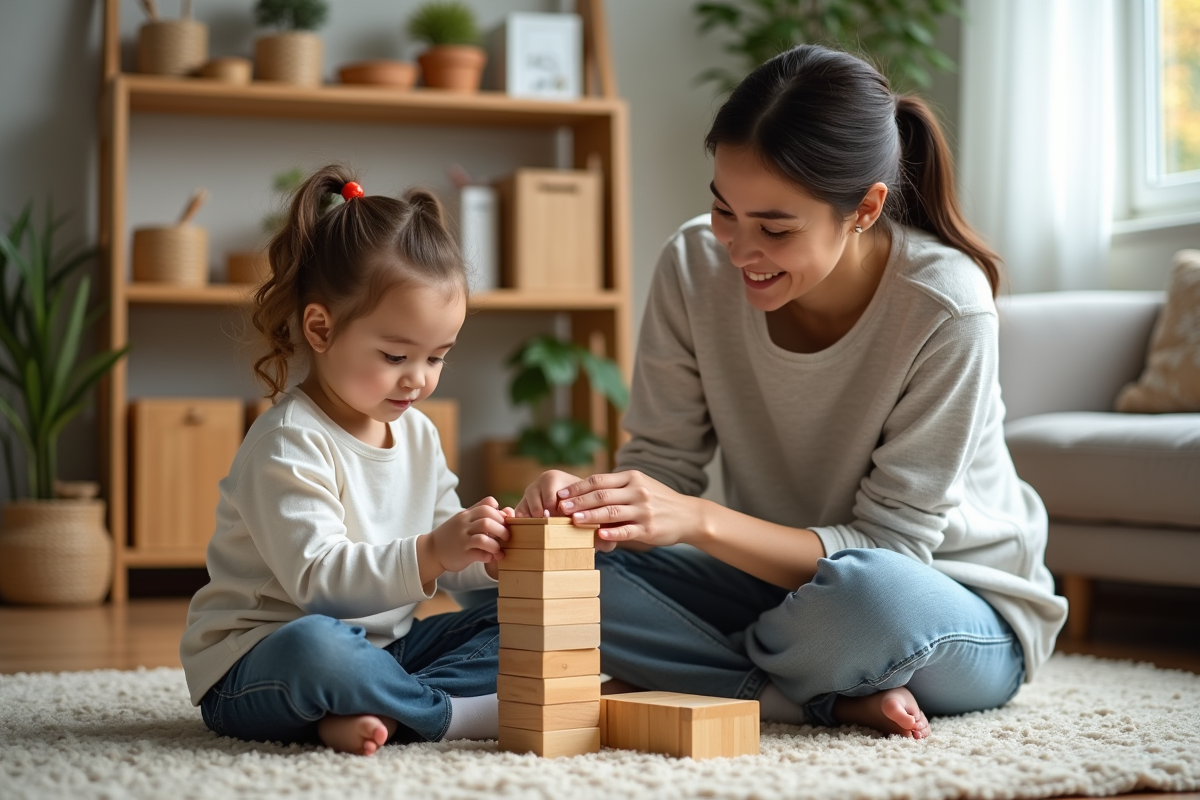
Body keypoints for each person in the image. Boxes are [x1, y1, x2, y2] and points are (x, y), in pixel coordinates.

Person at [517, 45, 1068, 740]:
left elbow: (891, 548)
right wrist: (586, 504)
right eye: (724, 212)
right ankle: (811, 695)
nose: (739, 249)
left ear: (865, 209)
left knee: (863, 601)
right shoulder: (693, 263)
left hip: (945, 600)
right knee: (545, 565)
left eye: (775, 228)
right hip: (776, 587)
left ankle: (710, 671)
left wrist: (699, 521)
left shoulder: (945, 306)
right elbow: (662, 463)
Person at [180, 165, 511, 756]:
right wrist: (435, 550)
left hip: (386, 651)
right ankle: (440, 714)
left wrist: (491, 551)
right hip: (263, 659)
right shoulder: (288, 441)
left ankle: (375, 705)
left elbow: (448, 561)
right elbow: (320, 586)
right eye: (394, 354)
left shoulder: (418, 435)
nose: (418, 379)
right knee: (320, 648)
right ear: (321, 328)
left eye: (437, 357)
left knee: (517, 623)